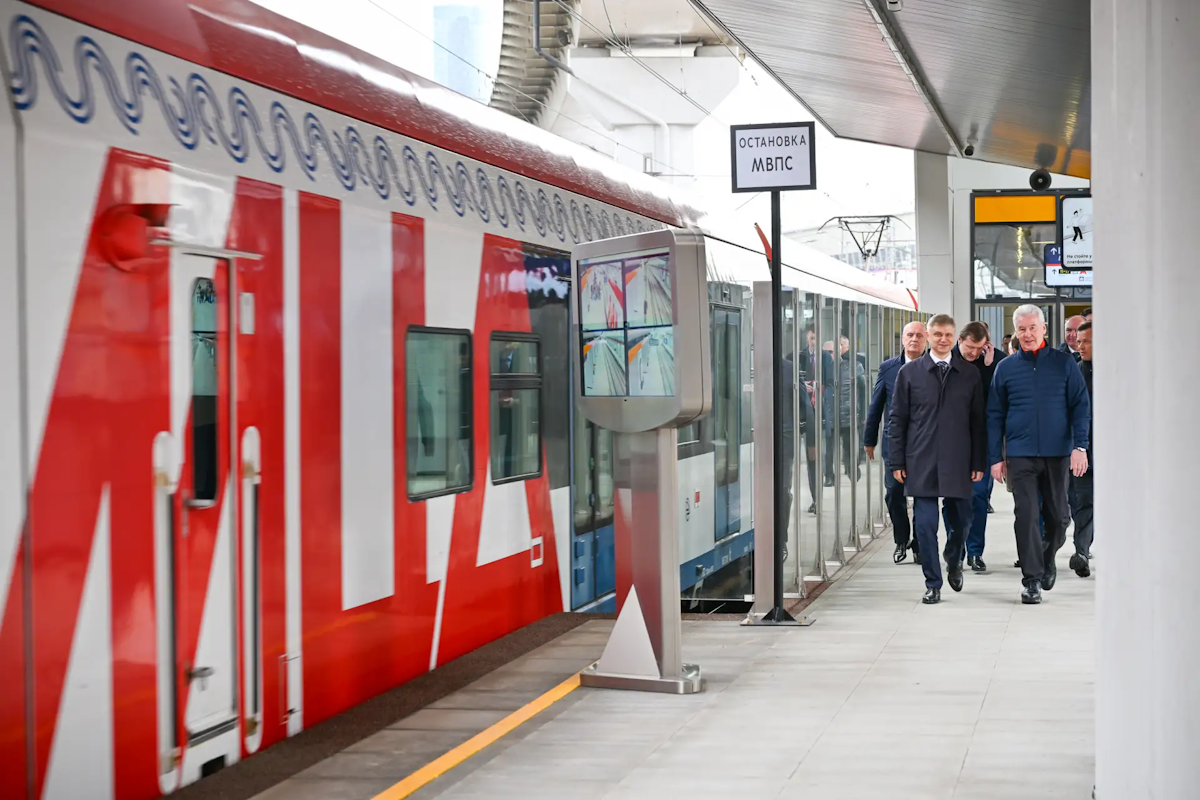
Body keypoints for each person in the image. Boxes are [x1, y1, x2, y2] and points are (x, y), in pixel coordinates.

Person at [989, 305, 1090, 604]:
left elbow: (1080, 406)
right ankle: (1031, 580)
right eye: (1022, 329)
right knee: (1027, 515)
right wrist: (997, 457)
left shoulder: (1063, 364)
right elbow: (994, 414)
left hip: (1058, 453)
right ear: (1016, 332)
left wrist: (1079, 446)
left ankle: (1047, 558)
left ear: (1044, 329)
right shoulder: (1005, 368)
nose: (1027, 334)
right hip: (1020, 455)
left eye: (1033, 328)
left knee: (1059, 517)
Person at [887, 314, 987, 605]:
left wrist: (978, 462)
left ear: (955, 337)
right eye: (937, 334)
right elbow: (897, 420)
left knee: (962, 521)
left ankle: (954, 558)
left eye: (948, 334)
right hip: (921, 460)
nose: (943, 339)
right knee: (925, 525)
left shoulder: (968, 374)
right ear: (928, 336)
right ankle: (933, 582)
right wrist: (897, 462)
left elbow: (978, 422)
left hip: (959, 460)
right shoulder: (910, 373)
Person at [863, 321, 927, 564]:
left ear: (926, 340)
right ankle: (902, 538)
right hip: (895, 444)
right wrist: (869, 440)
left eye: (919, 336)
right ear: (902, 339)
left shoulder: (933, 367)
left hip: (924, 445)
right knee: (894, 493)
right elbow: (876, 404)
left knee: (923, 497)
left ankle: (919, 544)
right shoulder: (888, 368)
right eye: (910, 335)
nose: (914, 339)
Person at [944, 321, 1002, 571]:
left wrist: (989, 368)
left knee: (978, 497)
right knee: (952, 499)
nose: (973, 353)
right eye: (970, 347)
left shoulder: (993, 361)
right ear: (960, 340)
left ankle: (975, 552)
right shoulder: (945, 360)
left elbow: (995, 401)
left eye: (979, 348)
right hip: (951, 441)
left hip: (982, 439)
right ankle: (954, 548)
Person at [1069, 321, 1094, 577]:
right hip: (1081, 450)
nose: (1080, 345)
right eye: (1079, 341)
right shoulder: (1075, 372)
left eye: (1086, 341)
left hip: (1113, 452)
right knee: (1083, 503)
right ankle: (1082, 553)